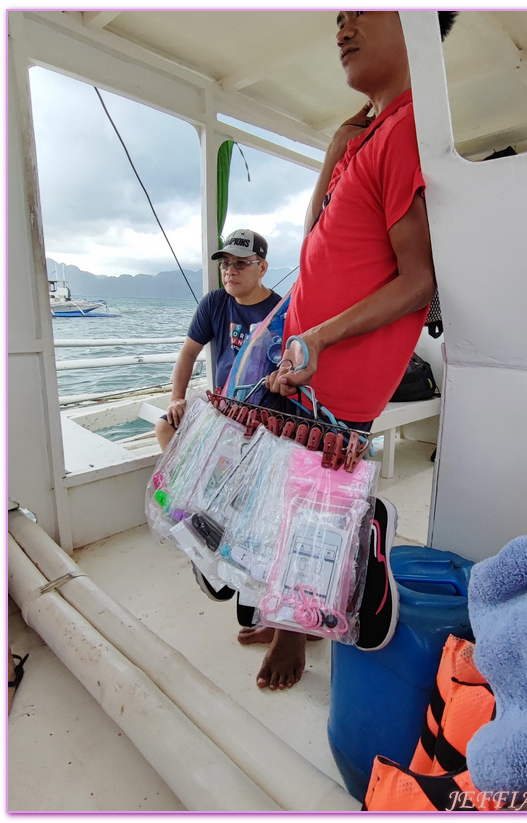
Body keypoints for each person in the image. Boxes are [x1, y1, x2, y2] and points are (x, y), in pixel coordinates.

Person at [240, 10, 458, 690]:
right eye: (338, 15)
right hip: (301, 365)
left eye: (361, 10)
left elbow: (418, 280)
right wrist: (333, 150)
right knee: (283, 500)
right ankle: (283, 611)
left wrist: (320, 336)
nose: (342, 25)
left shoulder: (406, 132)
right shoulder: (366, 136)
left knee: (315, 516)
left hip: (333, 377)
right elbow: (313, 246)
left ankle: (299, 634)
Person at [155, 229, 281, 450]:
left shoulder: (280, 312)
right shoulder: (214, 302)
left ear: (262, 267)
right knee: (165, 426)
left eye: (240, 263)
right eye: (225, 263)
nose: (230, 271)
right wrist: (176, 398)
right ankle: (186, 484)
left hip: (265, 415)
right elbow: (189, 352)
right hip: (222, 406)